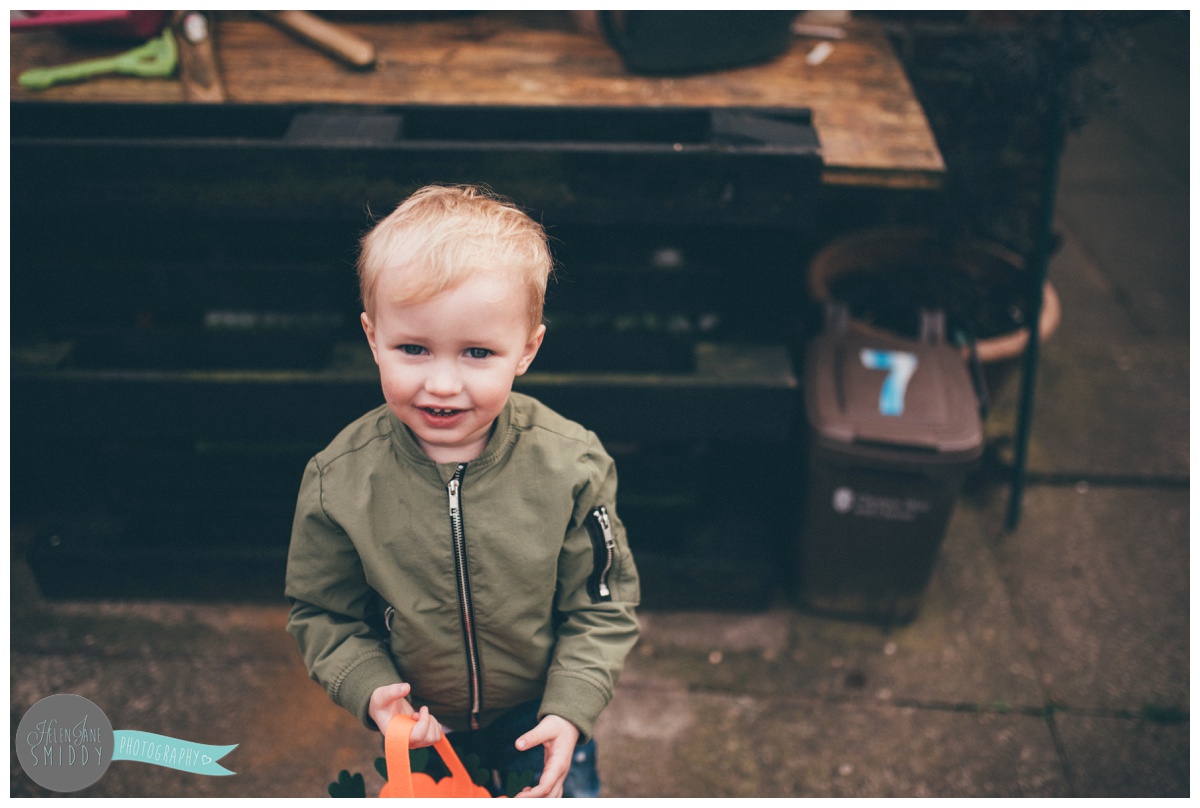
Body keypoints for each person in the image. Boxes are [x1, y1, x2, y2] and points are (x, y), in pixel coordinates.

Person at [285, 184, 640, 798]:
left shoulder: (570, 463)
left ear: (527, 349)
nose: (442, 383)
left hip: (541, 715)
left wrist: (572, 706)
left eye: (478, 352)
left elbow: (601, 602)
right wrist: (370, 688)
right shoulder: (339, 479)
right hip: (423, 725)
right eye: (413, 349)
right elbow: (323, 612)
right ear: (373, 338)